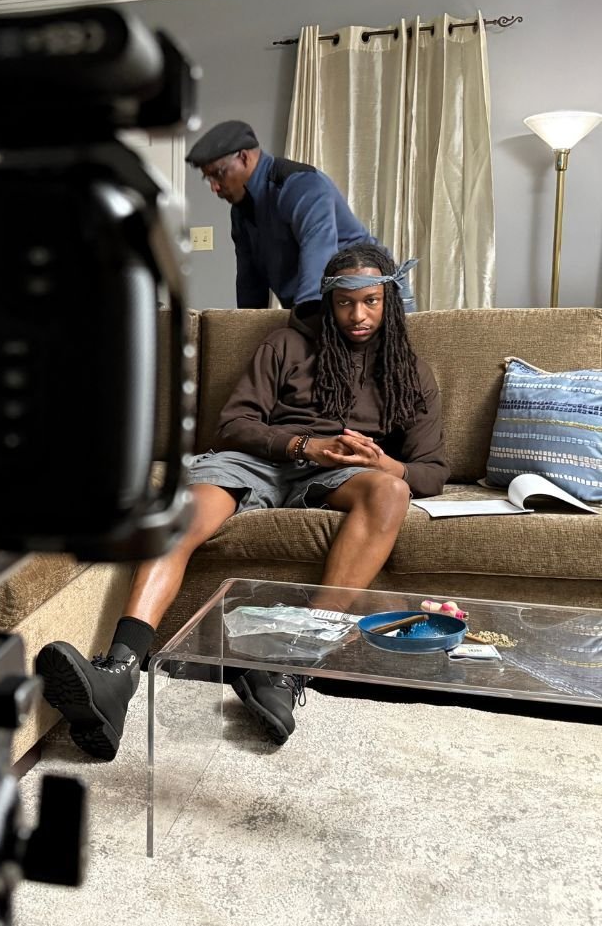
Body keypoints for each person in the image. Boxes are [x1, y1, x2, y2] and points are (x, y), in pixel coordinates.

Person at [36, 247, 447, 759]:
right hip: (261, 462)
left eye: (370, 301)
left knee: (392, 490)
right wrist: (303, 445)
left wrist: (383, 463)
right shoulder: (286, 344)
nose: (358, 315)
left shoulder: (411, 372)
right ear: (329, 301)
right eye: (345, 303)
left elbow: (432, 470)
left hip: (343, 474)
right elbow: (233, 425)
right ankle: (118, 673)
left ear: (390, 301)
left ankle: (289, 664)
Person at [186, 120, 415, 314]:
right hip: (329, 303)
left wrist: (301, 324)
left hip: (372, 298)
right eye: (208, 179)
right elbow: (250, 283)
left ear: (244, 158)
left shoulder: (300, 185)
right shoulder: (240, 210)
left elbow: (318, 268)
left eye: (218, 174)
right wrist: (245, 329)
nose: (214, 187)